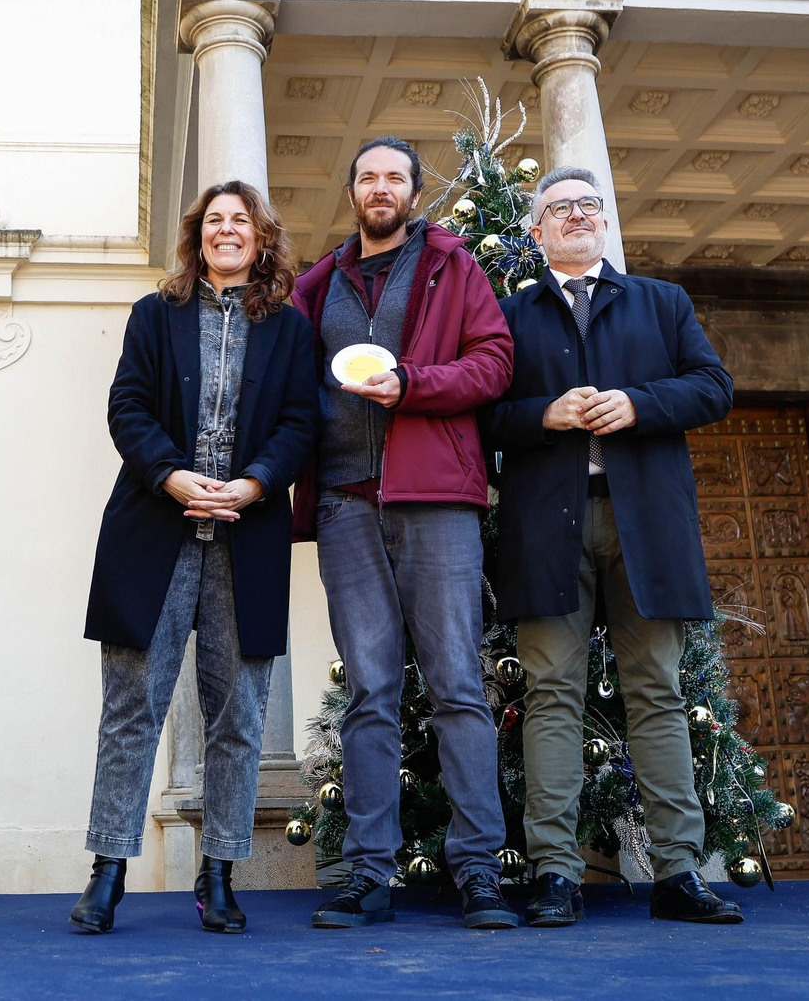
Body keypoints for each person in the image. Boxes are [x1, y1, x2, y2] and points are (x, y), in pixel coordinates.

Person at [483, 166, 739, 927]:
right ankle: (555, 874)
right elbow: (480, 414)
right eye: (559, 208)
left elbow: (714, 387)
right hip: (545, 529)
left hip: (646, 526)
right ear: (536, 232)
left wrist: (637, 403)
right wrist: (545, 415)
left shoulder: (662, 302)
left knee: (657, 692)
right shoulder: (507, 315)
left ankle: (678, 872)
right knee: (551, 696)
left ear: (604, 221)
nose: (576, 215)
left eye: (588, 205)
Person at [74, 180, 318, 935]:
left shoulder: (291, 328)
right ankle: (108, 869)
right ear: (197, 236)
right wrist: (172, 475)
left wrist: (255, 483)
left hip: (248, 535)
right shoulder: (155, 314)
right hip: (155, 531)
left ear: (261, 237)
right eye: (214, 220)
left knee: (238, 715)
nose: (227, 229)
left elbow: (302, 421)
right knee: (131, 710)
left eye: (240, 220)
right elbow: (127, 406)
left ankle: (219, 874)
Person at [291, 136, 519, 930]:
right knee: (369, 693)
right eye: (368, 177)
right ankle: (368, 873)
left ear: (414, 192)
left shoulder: (453, 266)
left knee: (458, 685)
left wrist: (412, 384)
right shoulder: (318, 286)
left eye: (394, 176)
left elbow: (494, 362)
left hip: (437, 499)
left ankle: (479, 869)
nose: (380, 187)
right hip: (345, 505)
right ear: (353, 191)